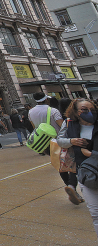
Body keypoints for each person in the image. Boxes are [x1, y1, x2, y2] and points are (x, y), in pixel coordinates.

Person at [56, 98, 98, 237]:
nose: (90, 113)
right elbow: (60, 140)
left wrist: (93, 154)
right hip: (86, 173)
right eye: (84, 110)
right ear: (75, 112)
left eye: (92, 109)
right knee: (96, 214)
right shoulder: (69, 124)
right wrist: (71, 141)